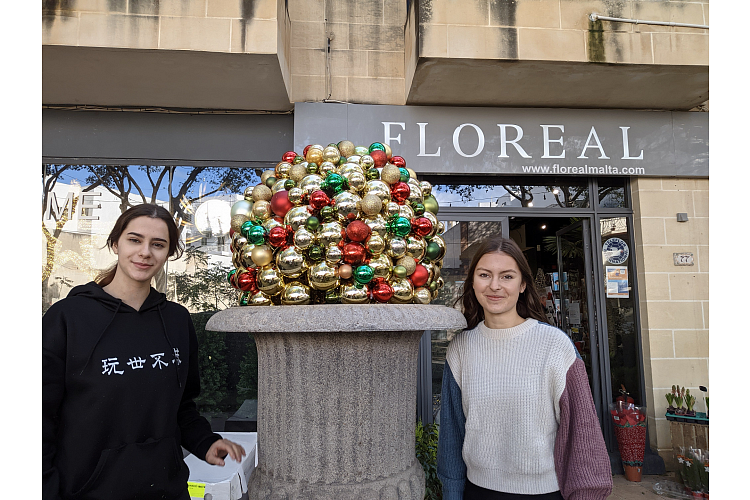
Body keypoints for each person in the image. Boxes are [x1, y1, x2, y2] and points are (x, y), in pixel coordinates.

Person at [43, 204, 246, 500]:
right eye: (134, 240)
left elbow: (181, 406)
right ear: (115, 243)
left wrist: (204, 441)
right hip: (85, 490)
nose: (145, 252)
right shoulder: (67, 318)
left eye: (158, 244)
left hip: (167, 490)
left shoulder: (176, 320)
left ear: (168, 253)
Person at [437, 237, 612, 500]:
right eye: (485, 275)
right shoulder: (461, 348)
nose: (494, 286)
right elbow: (452, 432)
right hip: (477, 491)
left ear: (522, 285)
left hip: (544, 492)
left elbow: (582, 432)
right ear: (472, 282)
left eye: (507, 276)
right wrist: (452, 493)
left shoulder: (555, 346)